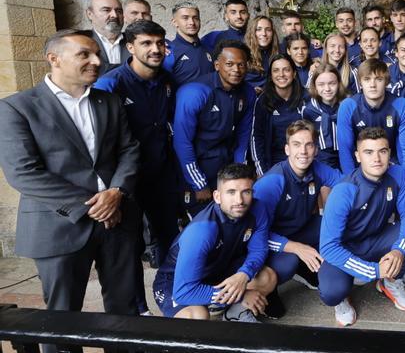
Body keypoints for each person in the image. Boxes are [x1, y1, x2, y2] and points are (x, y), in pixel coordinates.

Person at [0, 30, 141, 352]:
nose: (96, 61)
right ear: (54, 59)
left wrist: (117, 191)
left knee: (125, 313)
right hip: (58, 225)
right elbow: (23, 173)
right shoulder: (17, 108)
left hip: (116, 220)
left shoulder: (109, 101)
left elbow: (129, 150)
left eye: (97, 55)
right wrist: (92, 204)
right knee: (62, 319)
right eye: (85, 55)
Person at [94, 20, 181, 313]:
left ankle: (171, 295)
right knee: (129, 247)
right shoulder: (111, 84)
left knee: (170, 239)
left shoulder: (167, 80)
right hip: (127, 180)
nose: (155, 49)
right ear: (130, 47)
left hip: (161, 174)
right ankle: (138, 308)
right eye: (146, 43)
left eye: (159, 43)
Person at [319, 127, 405, 326]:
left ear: (389, 153)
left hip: (378, 239)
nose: (377, 158)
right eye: (368, 152)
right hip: (347, 248)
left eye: (382, 151)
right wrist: (373, 271)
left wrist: (399, 250)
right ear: (358, 156)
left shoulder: (397, 173)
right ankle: (346, 295)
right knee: (331, 293)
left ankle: (390, 281)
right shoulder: (344, 190)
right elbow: (329, 247)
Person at [152, 163, 277, 322]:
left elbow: (258, 250)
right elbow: (184, 292)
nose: (239, 200)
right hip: (176, 283)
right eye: (231, 192)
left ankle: (233, 313)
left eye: (246, 192)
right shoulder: (202, 231)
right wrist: (240, 295)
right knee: (197, 316)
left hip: (216, 271)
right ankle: (218, 302)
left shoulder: (257, 208)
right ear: (217, 196)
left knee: (267, 277)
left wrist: (244, 274)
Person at [254, 120, 343, 316]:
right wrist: (296, 248)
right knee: (288, 263)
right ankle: (269, 291)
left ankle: (305, 268)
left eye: (308, 145)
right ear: (287, 149)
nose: (303, 151)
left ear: (315, 149)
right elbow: (255, 234)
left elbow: (347, 185)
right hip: (270, 239)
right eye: (296, 145)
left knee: (335, 228)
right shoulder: (272, 182)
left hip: (301, 227)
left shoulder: (317, 168)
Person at [173, 39, 256, 215]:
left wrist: (239, 171)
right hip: (197, 167)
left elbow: (243, 135)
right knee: (201, 222)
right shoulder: (195, 92)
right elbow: (182, 142)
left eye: (241, 65)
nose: (236, 70)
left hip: (225, 166)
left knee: (230, 220)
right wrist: (198, 183)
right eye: (230, 64)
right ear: (217, 65)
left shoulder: (247, 92)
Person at [336, 59, 405, 177]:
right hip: (361, 168)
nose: (372, 85)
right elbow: (345, 150)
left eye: (378, 79)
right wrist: (351, 180)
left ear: (386, 82)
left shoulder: (401, 105)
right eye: (367, 79)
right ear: (360, 83)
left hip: (392, 164)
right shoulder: (348, 106)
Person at [251, 54, 305, 176]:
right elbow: (256, 137)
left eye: (286, 70)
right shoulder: (263, 101)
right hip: (274, 164)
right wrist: (262, 172)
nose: (281, 74)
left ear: (294, 73)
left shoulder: (306, 97)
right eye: (276, 71)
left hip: (305, 160)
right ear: (271, 76)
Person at [302, 64, 346, 170]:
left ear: (339, 84)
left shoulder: (347, 105)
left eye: (332, 83)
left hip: (346, 155)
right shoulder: (309, 110)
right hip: (321, 160)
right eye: (321, 84)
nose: (327, 89)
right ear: (315, 87)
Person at [163, 2, 214, 85]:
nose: (192, 23)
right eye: (185, 18)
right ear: (174, 22)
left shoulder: (208, 48)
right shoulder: (169, 51)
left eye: (195, 18)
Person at [83, 0, 129, 75]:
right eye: (106, 10)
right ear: (90, 14)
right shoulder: (81, 42)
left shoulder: (134, 40)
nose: (114, 15)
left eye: (119, 11)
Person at [244, 15, 280, 91]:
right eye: (258, 29)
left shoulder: (279, 51)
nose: (264, 33)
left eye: (268, 30)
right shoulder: (243, 53)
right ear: (252, 32)